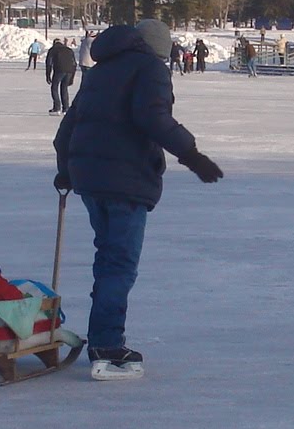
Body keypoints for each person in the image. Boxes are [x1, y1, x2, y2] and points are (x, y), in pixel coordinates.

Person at [52, 19, 223, 379]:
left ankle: (103, 335)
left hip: (90, 180)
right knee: (120, 264)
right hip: (124, 179)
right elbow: (153, 118)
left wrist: (66, 170)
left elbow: (67, 127)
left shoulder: (100, 70)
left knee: (108, 258)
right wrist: (193, 156)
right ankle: (108, 345)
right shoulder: (149, 68)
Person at [45, 37, 77, 114]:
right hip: (69, 70)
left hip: (59, 70)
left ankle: (57, 108)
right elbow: (74, 64)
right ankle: (66, 108)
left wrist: (48, 75)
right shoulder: (69, 50)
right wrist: (72, 77)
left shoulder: (53, 50)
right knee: (64, 88)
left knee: (54, 87)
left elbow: (49, 63)